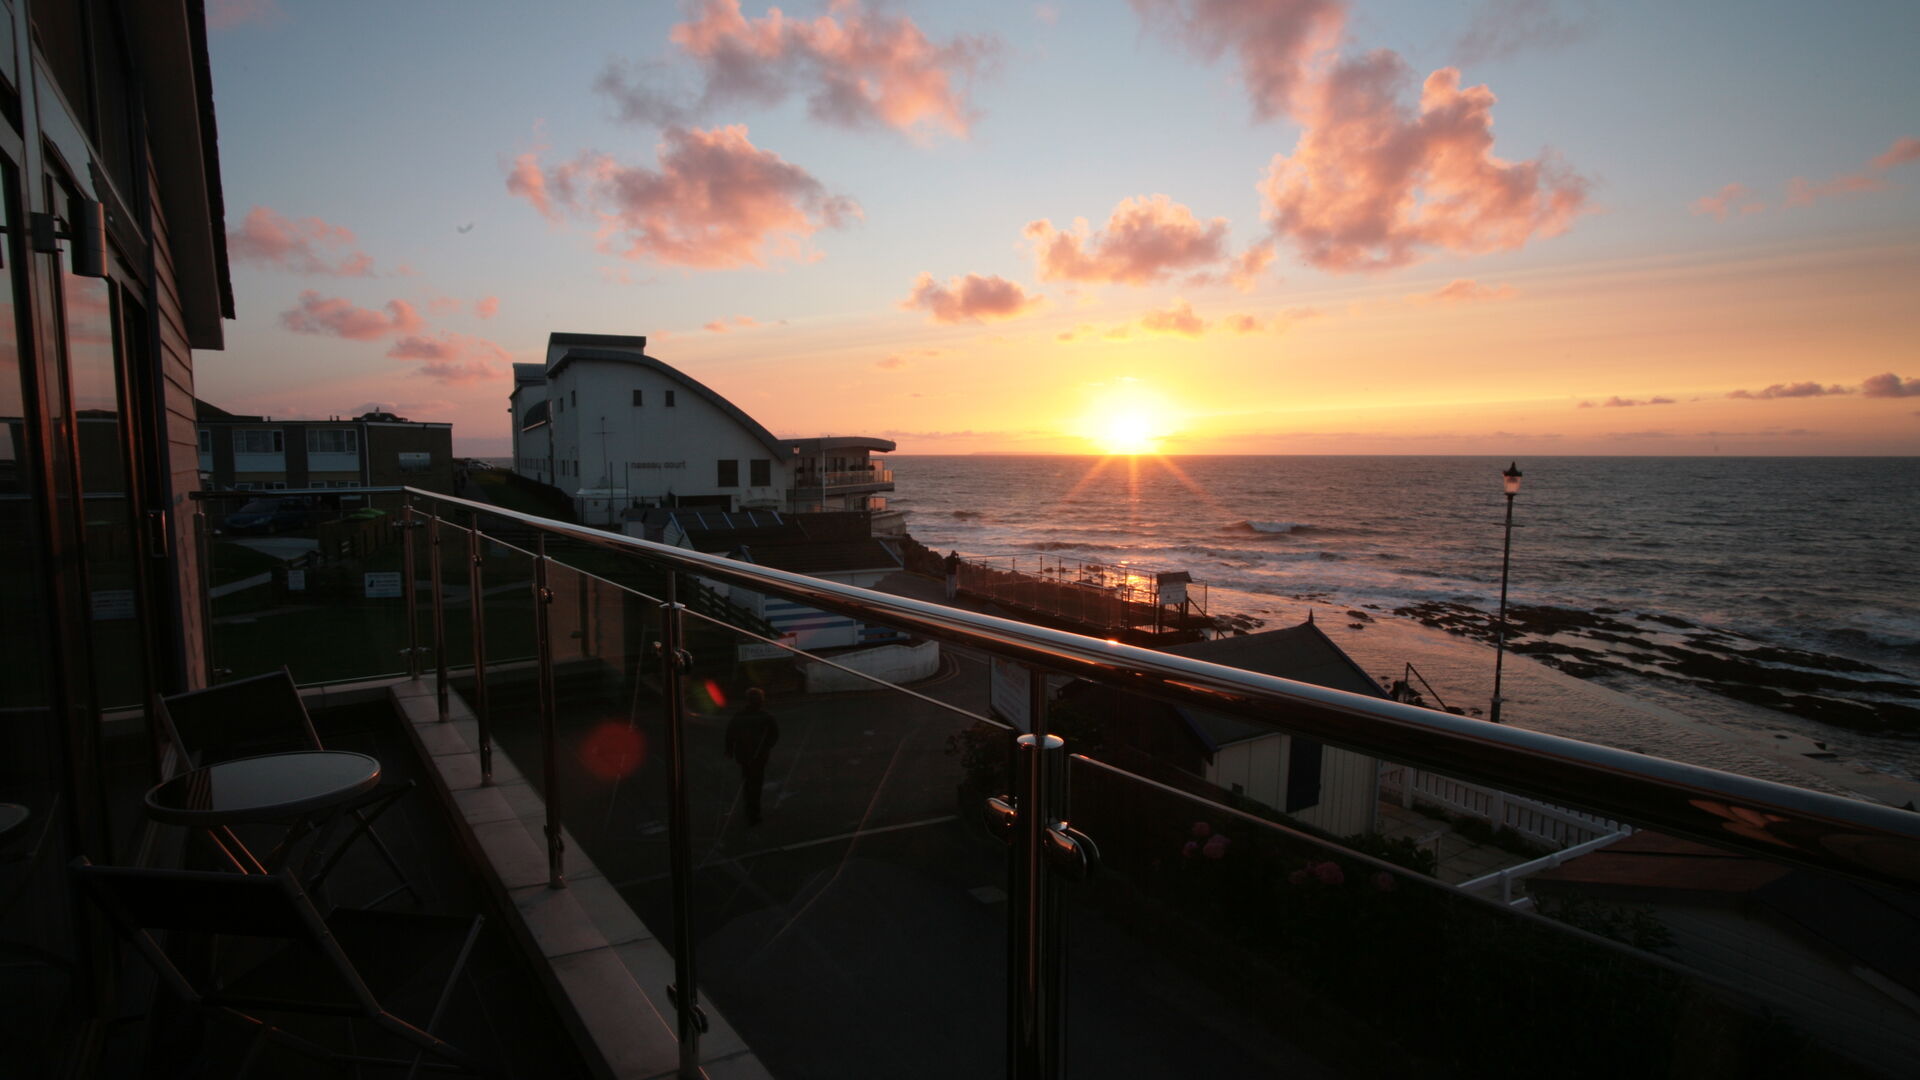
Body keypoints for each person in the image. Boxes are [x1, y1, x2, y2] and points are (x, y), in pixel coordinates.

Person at [725, 687, 780, 825]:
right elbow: (774, 736)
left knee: (747, 781)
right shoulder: (766, 717)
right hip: (759, 756)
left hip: (744, 755)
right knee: (756, 783)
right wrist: (766, 746)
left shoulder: (740, 715)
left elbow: (730, 733)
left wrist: (730, 750)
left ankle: (749, 808)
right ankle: (754, 811)